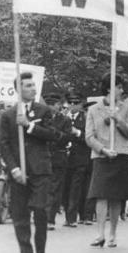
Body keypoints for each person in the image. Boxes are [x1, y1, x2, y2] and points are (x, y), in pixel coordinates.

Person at [0, 72, 62, 253]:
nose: (33, 88)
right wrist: (14, 168)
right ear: (18, 89)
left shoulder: (43, 111)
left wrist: (29, 126)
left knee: (40, 209)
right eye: (28, 85)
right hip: (18, 171)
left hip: (40, 169)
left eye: (34, 85)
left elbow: (53, 135)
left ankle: (41, 251)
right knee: (20, 214)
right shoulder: (8, 115)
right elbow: (4, 144)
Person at [85, 74, 128, 248]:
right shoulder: (93, 110)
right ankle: (100, 234)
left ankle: (113, 233)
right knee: (101, 195)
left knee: (116, 196)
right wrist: (103, 149)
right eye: (118, 87)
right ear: (109, 89)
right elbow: (89, 136)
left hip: (120, 154)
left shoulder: (125, 108)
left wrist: (118, 119)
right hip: (102, 156)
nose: (122, 90)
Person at [43, 93, 73, 230]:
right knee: (43, 188)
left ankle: (50, 219)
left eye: (54, 105)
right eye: (50, 105)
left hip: (58, 158)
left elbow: (67, 138)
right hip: (43, 157)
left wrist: (52, 133)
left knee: (54, 190)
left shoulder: (65, 120)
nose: (53, 108)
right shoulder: (42, 118)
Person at [64, 93, 92, 225]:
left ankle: (73, 218)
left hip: (80, 158)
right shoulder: (63, 118)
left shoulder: (85, 119)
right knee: (66, 188)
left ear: (80, 105)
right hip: (65, 158)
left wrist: (78, 133)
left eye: (75, 103)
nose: (72, 106)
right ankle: (77, 215)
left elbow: (90, 137)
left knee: (76, 189)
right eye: (70, 103)